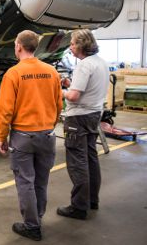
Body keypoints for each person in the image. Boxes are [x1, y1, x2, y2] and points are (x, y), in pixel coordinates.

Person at [0, 30, 63, 241]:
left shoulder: (14, 74)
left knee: (25, 181)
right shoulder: (51, 71)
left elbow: (5, 111)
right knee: (41, 181)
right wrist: (49, 125)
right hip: (47, 134)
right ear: (35, 47)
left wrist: (2, 137)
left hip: (23, 137)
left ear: (18, 47)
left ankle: (32, 225)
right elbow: (58, 104)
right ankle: (38, 217)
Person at [57, 29, 109, 220]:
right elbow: (85, 88)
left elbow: (73, 96)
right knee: (90, 158)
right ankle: (92, 200)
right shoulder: (101, 63)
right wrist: (70, 83)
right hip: (94, 114)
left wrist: (60, 91)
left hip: (78, 118)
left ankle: (78, 206)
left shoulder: (84, 65)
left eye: (72, 43)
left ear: (81, 45)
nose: (70, 47)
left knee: (77, 162)